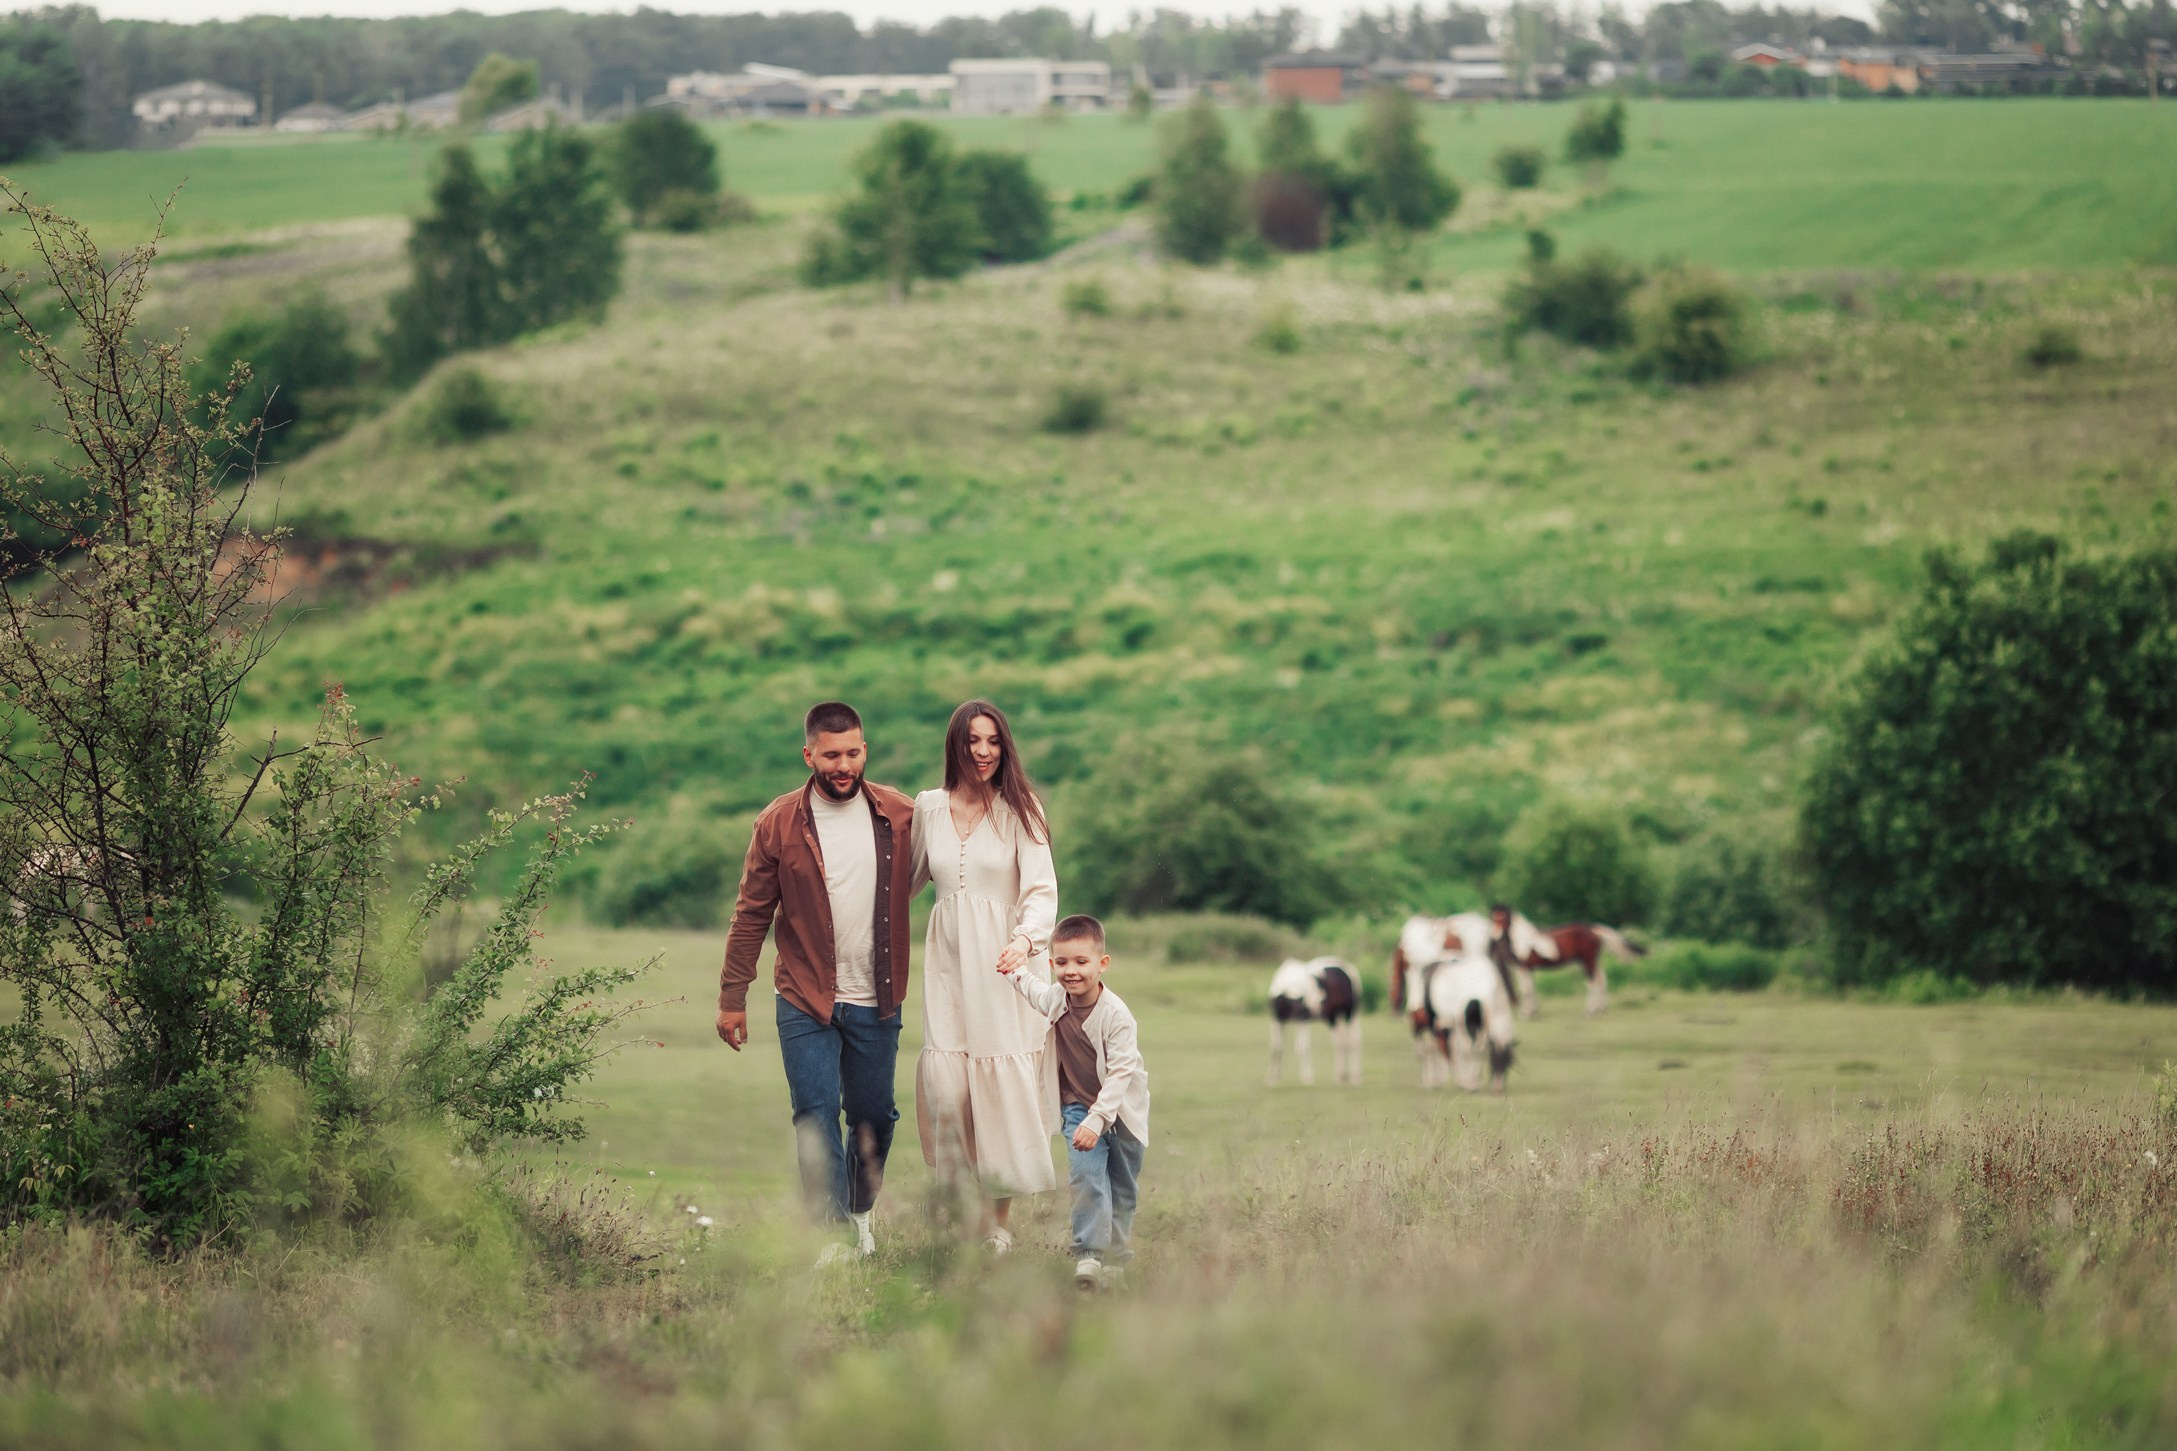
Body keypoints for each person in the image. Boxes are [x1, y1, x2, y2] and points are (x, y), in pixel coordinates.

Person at [717, 701, 918, 1264]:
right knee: (814, 1111)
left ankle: (858, 1211)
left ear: (865, 750)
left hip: (877, 996)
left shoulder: (900, 814)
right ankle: (830, 1236)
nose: (843, 765)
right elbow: (751, 915)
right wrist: (733, 997)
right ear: (808, 755)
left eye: (853, 753)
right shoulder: (778, 822)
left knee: (875, 1118)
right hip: (804, 996)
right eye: (831, 755)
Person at [910, 698, 1059, 1253]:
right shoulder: (929, 807)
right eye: (973, 740)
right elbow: (903, 882)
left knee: (998, 1089)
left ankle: (997, 1226)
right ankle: (965, 1213)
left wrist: (1025, 941)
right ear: (956, 743)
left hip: (1005, 966)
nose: (983, 751)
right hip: (948, 968)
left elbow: (1041, 890)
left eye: (993, 741)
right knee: (950, 1089)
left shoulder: (1022, 809)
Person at [999, 913, 1149, 1290]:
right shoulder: (1056, 998)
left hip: (1122, 1112)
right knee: (1086, 1177)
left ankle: (1116, 1259)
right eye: (1062, 962)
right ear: (1052, 964)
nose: (1071, 971)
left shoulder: (1116, 1016)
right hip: (1077, 1107)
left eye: (1082, 962)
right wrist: (1013, 969)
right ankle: (1089, 1256)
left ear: (1102, 963)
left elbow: (1120, 1073)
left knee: (1122, 1188)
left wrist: (1099, 1120)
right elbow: (1034, 991)